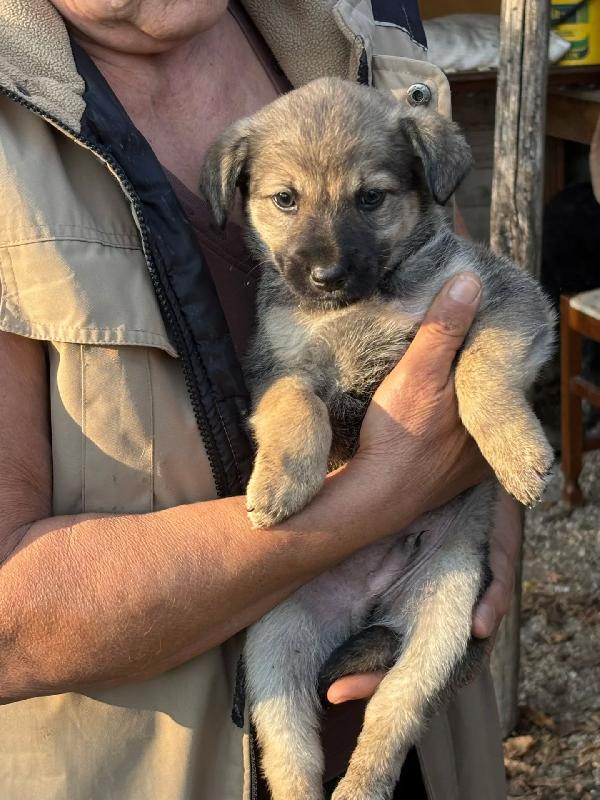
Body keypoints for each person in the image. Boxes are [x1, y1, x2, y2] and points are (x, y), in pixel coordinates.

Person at [0, 1, 521, 798]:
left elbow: (461, 300)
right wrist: (383, 493)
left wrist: (495, 526)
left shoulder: (362, 29)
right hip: (160, 767)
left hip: (424, 732)